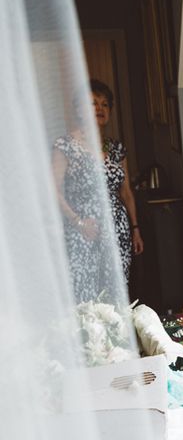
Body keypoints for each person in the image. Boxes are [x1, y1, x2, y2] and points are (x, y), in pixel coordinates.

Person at [53, 79, 143, 300]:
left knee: (116, 292)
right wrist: (78, 222)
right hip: (83, 231)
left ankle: (116, 335)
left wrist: (135, 228)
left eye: (105, 104)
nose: (100, 109)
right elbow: (53, 192)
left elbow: (126, 192)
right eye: (93, 103)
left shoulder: (116, 148)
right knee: (86, 294)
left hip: (117, 231)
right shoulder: (65, 145)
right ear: (79, 109)